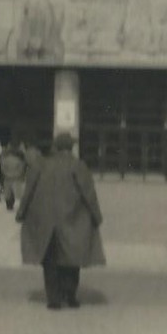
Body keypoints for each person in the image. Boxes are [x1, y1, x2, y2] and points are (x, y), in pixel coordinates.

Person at [16, 131, 105, 310]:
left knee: (50, 261)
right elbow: (88, 194)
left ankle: (54, 299)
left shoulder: (40, 165)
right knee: (72, 259)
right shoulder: (78, 166)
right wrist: (96, 215)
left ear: (55, 147)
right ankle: (70, 296)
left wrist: (21, 212)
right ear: (71, 147)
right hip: (72, 220)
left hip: (45, 221)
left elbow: (29, 191)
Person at [0, 141, 28, 211]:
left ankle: (9, 204)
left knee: (8, 192)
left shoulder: (5, 159)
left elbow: (2, 168)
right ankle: (21, 205)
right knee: (18, 191)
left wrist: (6, 174)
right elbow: (21, 168)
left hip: (7, 178)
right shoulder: (19, 160)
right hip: (16, 178)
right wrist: (20, 175)